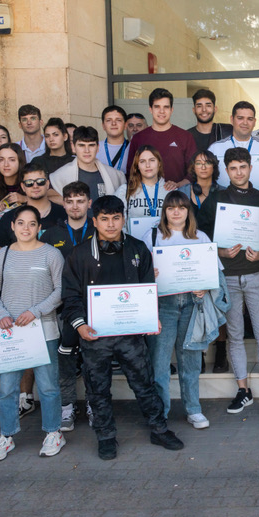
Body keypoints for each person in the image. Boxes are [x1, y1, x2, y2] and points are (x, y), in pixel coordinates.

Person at [60, 195, 182, 460]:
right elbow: (69, 298)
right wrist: (80, 327)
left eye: (116, 218)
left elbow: (148, 288)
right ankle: (105, 437)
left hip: (131, 335)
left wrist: (152, 316)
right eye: (104, 219)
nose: (111, 224)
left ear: (123, 219)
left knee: (145, 384)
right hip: (94, 337)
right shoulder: (79, 255)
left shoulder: (138, 249)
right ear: (94, 221)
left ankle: (159, 429)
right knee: (98, 390)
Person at [0, 205, 66, 461]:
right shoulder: (4, 255)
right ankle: (6, 435)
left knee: (48, 386)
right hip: (11, 332)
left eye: (32, 223)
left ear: (39, 227)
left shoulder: (51, 254)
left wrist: (36, 311)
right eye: (21, 223)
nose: (26, 228)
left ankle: (54, 432)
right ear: (13, 226)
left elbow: (61, 291)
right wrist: (1, 314)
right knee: (7, 388)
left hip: (44, 330)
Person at [208, 147, 259, 413]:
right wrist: (220, 251)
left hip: (256, 274)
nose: (239, 172)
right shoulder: (216, 200)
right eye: (233, 168)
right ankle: (243, 390)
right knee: (235, 335)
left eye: (243, 167)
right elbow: (201, 238)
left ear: (250, 168)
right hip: (228, 276)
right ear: (227, 171)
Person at [144, 191, 221, 430]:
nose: (176, 212)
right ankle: (161, 412)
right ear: (164, 211)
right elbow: (139, 273)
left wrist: (205, 289)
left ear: (188, 211)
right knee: (160, 363)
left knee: (190, 360)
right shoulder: (153, 236)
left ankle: (193, 409)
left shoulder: (200, 237)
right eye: (171, 208)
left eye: (181, 207)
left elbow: (214, 272)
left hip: (192, 305)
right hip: (163, 306)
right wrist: (150, 275)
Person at [39, 181, 94, 431]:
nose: (75, 205)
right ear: (63, 203)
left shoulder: (100, 228)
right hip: (63, 308)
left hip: (95, 306)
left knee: (95, 358)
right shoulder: (51, 234)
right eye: (69, 201)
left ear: (89, 203)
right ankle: (67, 407)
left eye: (80, 200)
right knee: (66, 358)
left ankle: (95, 404)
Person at [210, 101, 259, 196]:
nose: (245, 123)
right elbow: (207, 181)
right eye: (240, 118)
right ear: (232, 119)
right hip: (227, 206)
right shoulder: (215, 148)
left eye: (250, 119)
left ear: (254, 122)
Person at [127, 88, 196, 189]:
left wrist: (178, 185)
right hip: (146, 198)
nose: (162, 111)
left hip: (177, 198)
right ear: (150, 109)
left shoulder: (185, 137)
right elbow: (131, 172)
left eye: (166, 107)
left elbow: (193, 172)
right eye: (157, 107)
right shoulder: (138, 138)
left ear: (171, 110)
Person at [0, 162, 67, 247]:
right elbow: (1, 255)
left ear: (47, 184)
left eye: (40, 182)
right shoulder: (9, 218)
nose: (35, 186)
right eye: (29, 183)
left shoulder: (64, 214)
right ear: (23, 187)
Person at [48, 125, 123, 200]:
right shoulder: (59, 177)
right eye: (81, 145)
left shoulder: (116, 176)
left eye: (91, 145)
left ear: (98, 148)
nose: (87, 150)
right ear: (73, 147)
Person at [115, 146, 167, 225]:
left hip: (162, 237)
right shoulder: (125, 190)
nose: (148, 165)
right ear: (137, 166)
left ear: (159, 163)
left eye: (152, 160)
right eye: (142, 161)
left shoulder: (170, 190)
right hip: (133, 237)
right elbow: (117, 221)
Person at [180, 149, 220, 215]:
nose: (203, 167)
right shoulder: (183, 191)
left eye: (208, 163)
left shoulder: (224, 192)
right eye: (198, 163)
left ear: (214, 167)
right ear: (193, 167)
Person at [100, 105, 132, 172]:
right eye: (109, 120)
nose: (113, 123)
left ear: (125, 125)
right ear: (103, 126)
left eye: (118, 120)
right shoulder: (94, 147)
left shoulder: (133, 147)